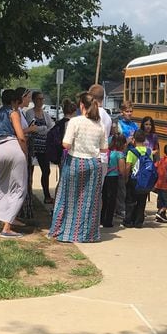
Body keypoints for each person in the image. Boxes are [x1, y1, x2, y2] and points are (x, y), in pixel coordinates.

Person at [48, 92, 107, 243]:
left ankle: (64, 231)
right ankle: (86, 234)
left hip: (75, 161)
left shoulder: (75, 122)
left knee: (68, 197)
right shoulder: (99, 125)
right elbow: (104, 148)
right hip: (94, 164)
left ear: (81, 105)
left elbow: (66, 144)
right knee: (89, 201)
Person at [0, 89, 29, 238]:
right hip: (13, 146)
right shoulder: (13, 113)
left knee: (2, 184)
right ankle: (7, 226)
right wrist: (25, 152)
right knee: (19, 187)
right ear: (14, 101)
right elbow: (21, 136)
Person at [24, 91, 54, 204]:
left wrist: (40, 129)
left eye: (42, 99)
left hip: (44, 147)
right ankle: (29, 193)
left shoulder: (45, 114)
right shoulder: (29, 113)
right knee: (30, 170)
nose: (41, 101)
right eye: (38, 99)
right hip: (32, 146)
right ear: (34, 100)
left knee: (46, 170)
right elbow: (32, 127)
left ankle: (47, 195)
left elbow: (50, 128)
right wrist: (43, 129)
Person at [15, 87, 39, 220]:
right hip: (21, 148)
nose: (30, 100)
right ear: (22, 97)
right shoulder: (16, 113)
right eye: (28, 97)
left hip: (27, 148)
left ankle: (24, 211)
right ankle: (18, 213)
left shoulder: (21, 112)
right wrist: (30, 129)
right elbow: (18, 132)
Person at [123, 130, 151, 229]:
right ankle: (139, 221)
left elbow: (128, 166)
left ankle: (129, 220)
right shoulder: (149, 151)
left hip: (133, 178)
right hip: (144, 180)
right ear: (144, 140)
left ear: (134, 140)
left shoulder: (131, 152)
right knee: (142, 201)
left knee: (130, 200)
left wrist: (125, 178)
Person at [101, 133, 127, 228]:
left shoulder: (108, 152)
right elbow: (122, 170)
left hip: (105, 176)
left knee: (104, 198)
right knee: (112, 200)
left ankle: (102, 218)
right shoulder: (119, 154)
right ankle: (108, 221)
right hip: (113, 178)